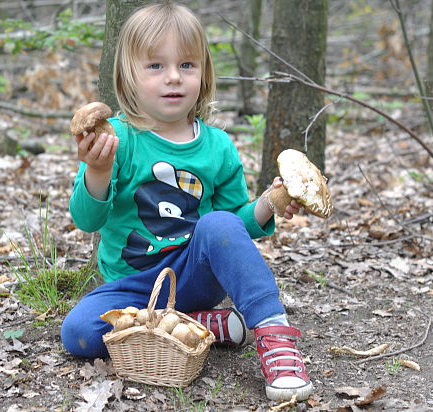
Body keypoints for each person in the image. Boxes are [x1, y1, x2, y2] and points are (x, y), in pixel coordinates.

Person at [61, 1, 314, 402]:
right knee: (77, 333)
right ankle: (200, 325)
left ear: (204, 73)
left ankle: (274, 334)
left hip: (193, 275)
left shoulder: (217, 146)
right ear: (129, 75)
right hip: (132, 289)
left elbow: (233, 228)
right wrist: (97, 171)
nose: (173, 77)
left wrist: (268, 203)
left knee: (215, 224)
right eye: (156, 66)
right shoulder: (117, 141)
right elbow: (86, 220)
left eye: (187, 65)